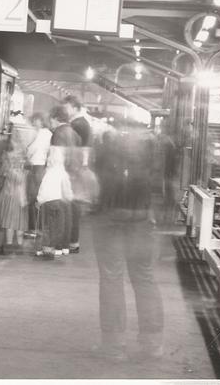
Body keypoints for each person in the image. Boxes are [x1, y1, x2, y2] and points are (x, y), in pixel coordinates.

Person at [93, 128, 164, 360]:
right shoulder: (148, 157)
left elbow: (97, 188)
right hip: (141, 220)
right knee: (144, 278)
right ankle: (153, 344)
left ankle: (114, 346)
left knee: (112, 279)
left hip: (111, 220)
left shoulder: (107, 153)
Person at [50, 104, 81, 254]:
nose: (50, 122)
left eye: (51, 119)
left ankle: (59, 244)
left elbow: (56, 157)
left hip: (61, 173)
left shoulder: (58, 133)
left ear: (56, 118)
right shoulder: (74, 133)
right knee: (69, 210)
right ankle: (70, 242)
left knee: (59, 211)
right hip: (73, 174)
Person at [0, 128, 28, 255]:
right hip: (20, 193)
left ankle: (5, 246)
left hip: (8, 192)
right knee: (19, 221)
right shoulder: (23, 153)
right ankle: (19, 246)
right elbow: (25, 173)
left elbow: (2, 172)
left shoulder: (7, 155)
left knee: (6, 221)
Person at [61, 96, 90, 253]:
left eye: (66, 107)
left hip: (73, 169)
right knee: (72, 204)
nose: (64, 110)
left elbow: (72, 148)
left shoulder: (78, 124)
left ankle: (72, 241)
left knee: (71, 205)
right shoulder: (82, 123)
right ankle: (72, 241)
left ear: (74, 107)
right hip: (77, 168)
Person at [25, 112, 52, 234]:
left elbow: (32, 149)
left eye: (35, 120)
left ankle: (33, 228)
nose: (33, 123)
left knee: (32, 198)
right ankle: (40, 227)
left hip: (36, 167)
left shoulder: (41, 133)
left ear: (41, 121)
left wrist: (25, 152)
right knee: (40, 197)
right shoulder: (49, 134)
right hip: (43, 167)